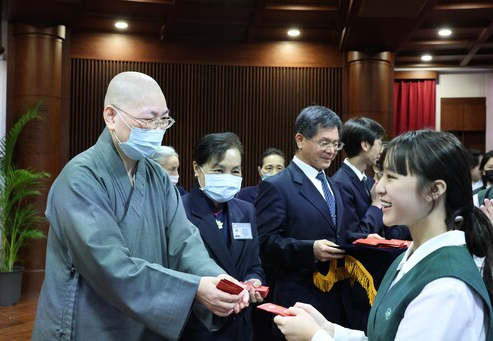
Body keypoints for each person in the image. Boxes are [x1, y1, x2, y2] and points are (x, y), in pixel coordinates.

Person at [32, 72, 249, 341]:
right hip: (89, 321)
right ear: (111, 116)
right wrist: (194, 288)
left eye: (163, 119)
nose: (158, 129)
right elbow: (108, 265)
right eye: (147, 120)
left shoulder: (157, 177)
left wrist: (217, 279)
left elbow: (184, 243)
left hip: (145, 324)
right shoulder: (80, 178)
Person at [274, 129, 493, 341]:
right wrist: (330, 330)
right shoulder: (409, 258)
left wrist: (315, 337)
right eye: (381, 175)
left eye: (392, 177)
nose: (379, 188)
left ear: (434, 190)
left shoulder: (447, 289)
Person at [255, 105, 347, 336]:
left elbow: (337, 233)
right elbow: (264, 244)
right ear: (300, 139)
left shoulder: (333, 186)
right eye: (324, 142)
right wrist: (310, 250)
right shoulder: (277, 186)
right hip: (296, 298)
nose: (332, 150)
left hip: (334, 298)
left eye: (336, 144)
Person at [180, 132, 265, 340]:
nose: (228, 177)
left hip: (241, 324)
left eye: (235, 171)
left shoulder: (246, 211)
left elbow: (254, 264)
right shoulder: (180, 210)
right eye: (219, 170)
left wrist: (254, 280)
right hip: (199, 325)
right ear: (196, 168)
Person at [331, 117, 385, 243]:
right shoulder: (340, 183)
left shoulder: (368, 181)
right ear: (365, 145)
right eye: (380, 144)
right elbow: (354, 235)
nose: (381, 150)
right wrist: (376, 206)